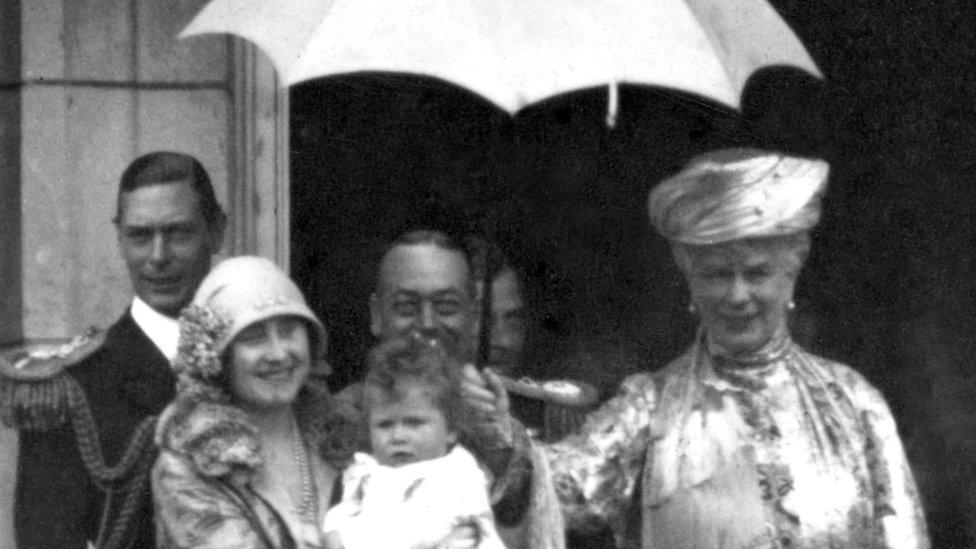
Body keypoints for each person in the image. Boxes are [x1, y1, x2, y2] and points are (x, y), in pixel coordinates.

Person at [462, 148, 930, 548]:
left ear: (793, 272)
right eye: (716, 275)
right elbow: (566, 491)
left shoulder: (852, 403)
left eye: (757, 272)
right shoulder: (650, 408)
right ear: (688, 277)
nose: (737, 295)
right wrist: (500, 443)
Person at [5, 151, 226, 548]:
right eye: (141, 236)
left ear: (217, 231)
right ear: (120, 240)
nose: (158, 257)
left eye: (178, 233)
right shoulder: (72, 389)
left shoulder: (252, 365)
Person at [152, 256, 360, 548]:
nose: (278, 353)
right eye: (254, 337)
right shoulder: (189, 466)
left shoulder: (344, 439)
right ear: (219, 358)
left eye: (288, 332)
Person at [322, 331, 504, 549]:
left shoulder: (456, 475)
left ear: (451, 429)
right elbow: (339, 523)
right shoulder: (365, 473)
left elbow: (427, 530)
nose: (398, 436)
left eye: (414, 423)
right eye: (384, 425)